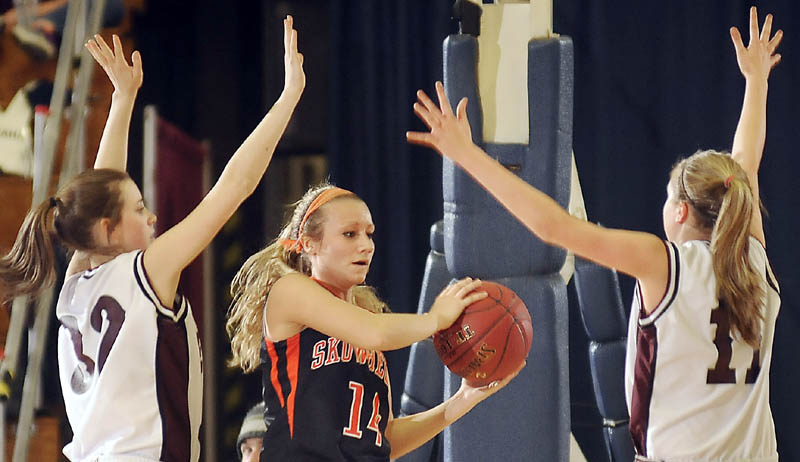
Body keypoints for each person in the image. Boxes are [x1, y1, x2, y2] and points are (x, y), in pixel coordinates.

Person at [406, 7, 781, 462]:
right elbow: (745, 164)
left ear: (680, 211)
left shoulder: (664, 263)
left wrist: (464, 154)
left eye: (666, 197)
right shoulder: (754, 262)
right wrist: (756, 83)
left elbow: (553, 226)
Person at [0, 15, 304, 461]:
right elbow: (234, 185)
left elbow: (103, 188)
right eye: (140, 210)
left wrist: (123, 100)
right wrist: (288, 98)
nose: (153, 217)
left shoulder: (78, 278)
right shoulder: (146, 270)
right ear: (108, 229)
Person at [226, 181, 523, 461]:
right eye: (350, 234)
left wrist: (462, 400)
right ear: (310, 244)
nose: (366, 245)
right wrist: (435, 319)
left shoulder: (369, 320)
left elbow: (385, 438)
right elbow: (374, 334)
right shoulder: (290, 291)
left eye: (369, 234)